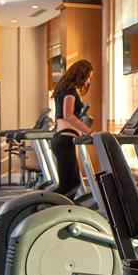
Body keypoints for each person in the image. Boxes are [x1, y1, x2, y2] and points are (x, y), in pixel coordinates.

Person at [51, 59, 94, 195]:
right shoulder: (70, 91)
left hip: (62, 139)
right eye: (88, 77)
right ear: (82, 75)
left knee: (71, 183)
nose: (88, 81)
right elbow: (68, 115)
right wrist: (89, 131)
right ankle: (48, 205)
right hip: (65, 139)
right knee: (69, 185)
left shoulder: (63, 89)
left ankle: (56, 205)